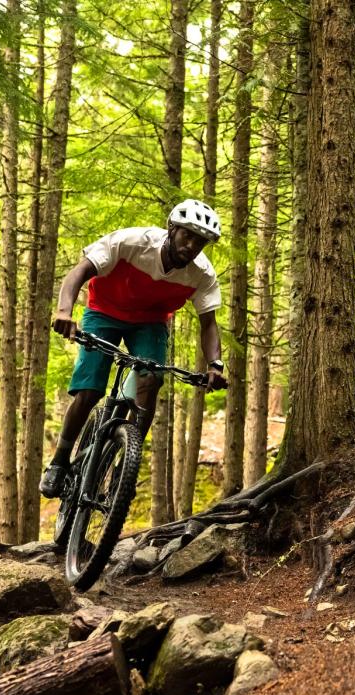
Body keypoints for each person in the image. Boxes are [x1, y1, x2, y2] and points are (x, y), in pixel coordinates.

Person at [39, 199, 229, 498]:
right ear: (172, 228)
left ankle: (125, 464)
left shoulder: (202, 274)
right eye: (186, 236)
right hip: (103, 312)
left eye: (200, 242)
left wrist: (215, 365)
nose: (191, 246)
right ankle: (59, 461)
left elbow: (209, 323)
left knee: (150, 382)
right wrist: (64, 312)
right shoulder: (132, 242)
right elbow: (79, 273)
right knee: (89, 390)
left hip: (150, 323)